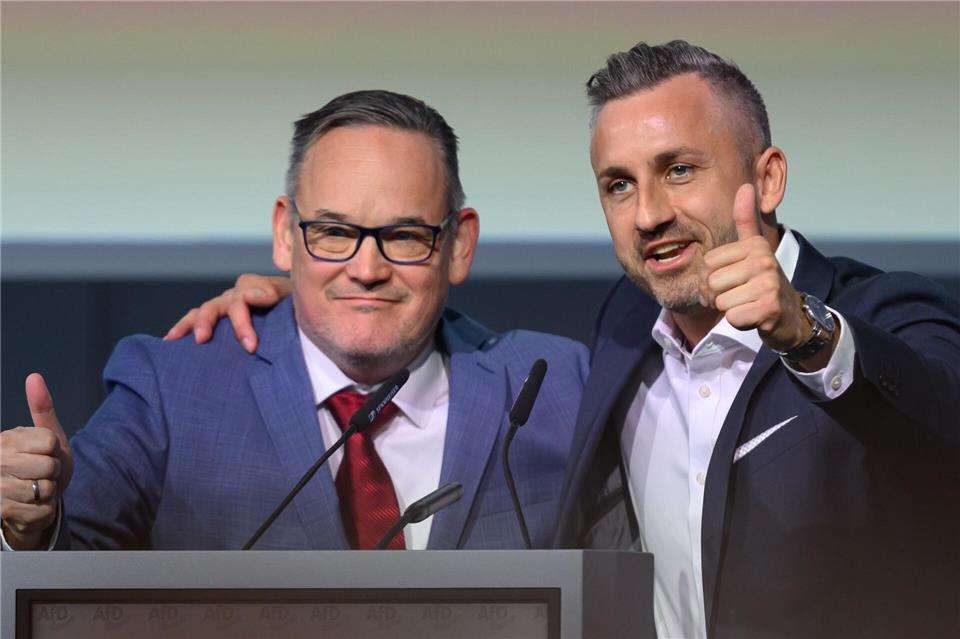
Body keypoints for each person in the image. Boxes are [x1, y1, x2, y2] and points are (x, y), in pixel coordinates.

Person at [176, 42, 960, 638]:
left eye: (679, 169)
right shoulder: (624, 327)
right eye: (619, 184)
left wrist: (811, 334)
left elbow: (939, 421)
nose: (647, 212)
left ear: (770, 176)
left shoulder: (883, 313)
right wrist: (323, 292)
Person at [0, 90, 588, 551]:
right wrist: (31, 524)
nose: (366, 269)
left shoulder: (557, 387)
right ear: (286, 235)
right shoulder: (170, 390)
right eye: (333, 232)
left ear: (459, 245)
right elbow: (69, 564)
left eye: (404, 236)